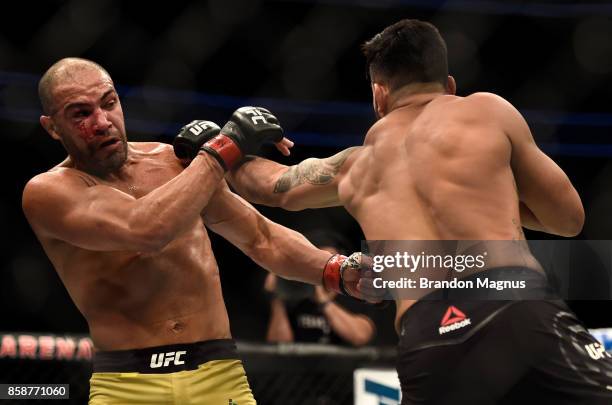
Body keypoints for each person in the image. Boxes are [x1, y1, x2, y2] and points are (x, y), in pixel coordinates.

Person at [208, 19, 612, 404]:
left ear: (378, 94)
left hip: (426, 335)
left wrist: (221, 144)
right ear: (449, 84)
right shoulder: (486, 112)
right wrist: (489, 189)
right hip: (510, 306)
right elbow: (568, 218)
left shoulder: (355, 167)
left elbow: (269, 187)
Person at [21, 57, 365, 405]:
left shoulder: (173, 162)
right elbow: (144, 228)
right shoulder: (48, 193)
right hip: (127, 386)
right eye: (80, 114)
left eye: (109, 103)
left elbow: (261, 238)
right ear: (52, 127)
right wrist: (224, 147)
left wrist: (336, 271)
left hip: (218, 374)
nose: (101, 122)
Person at [264, 230, 375, 346]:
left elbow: (361, 336)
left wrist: (324, 302)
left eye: (332, 261)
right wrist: (277, 297)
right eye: (321, 263)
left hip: (342, 363)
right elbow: (279, 345)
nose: (326, 268)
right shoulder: (298, 295)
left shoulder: (354, 292)